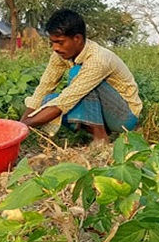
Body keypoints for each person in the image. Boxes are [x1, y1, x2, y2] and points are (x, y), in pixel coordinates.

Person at [20, 9, 143, 144]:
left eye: (60, 42)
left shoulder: (98, 59)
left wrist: (24, 126)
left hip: (124, 116)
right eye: (52, 42)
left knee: (76, 75)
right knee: (47, 100)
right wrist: (20, 124)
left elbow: (65, 102)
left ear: (77, 39)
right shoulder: (60, 54)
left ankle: (101, 138)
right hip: (104, 112)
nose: (55, 48)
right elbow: (44, 87)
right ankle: (98, 131)